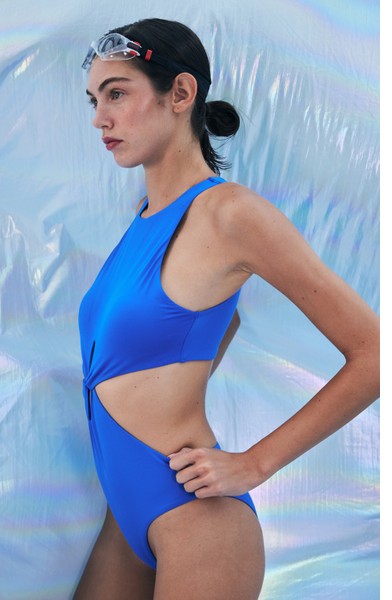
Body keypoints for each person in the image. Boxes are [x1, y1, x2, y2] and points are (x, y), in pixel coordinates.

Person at [73, 17, 379, 600]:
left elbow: (375, 353)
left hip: (199, 522)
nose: (99, 118)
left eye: (116, 94)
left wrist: (255, 463)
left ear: (180, 93)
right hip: (125, 513)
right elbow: (213, 320)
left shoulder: (232, 213)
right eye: (94, 100)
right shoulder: (142, 218)